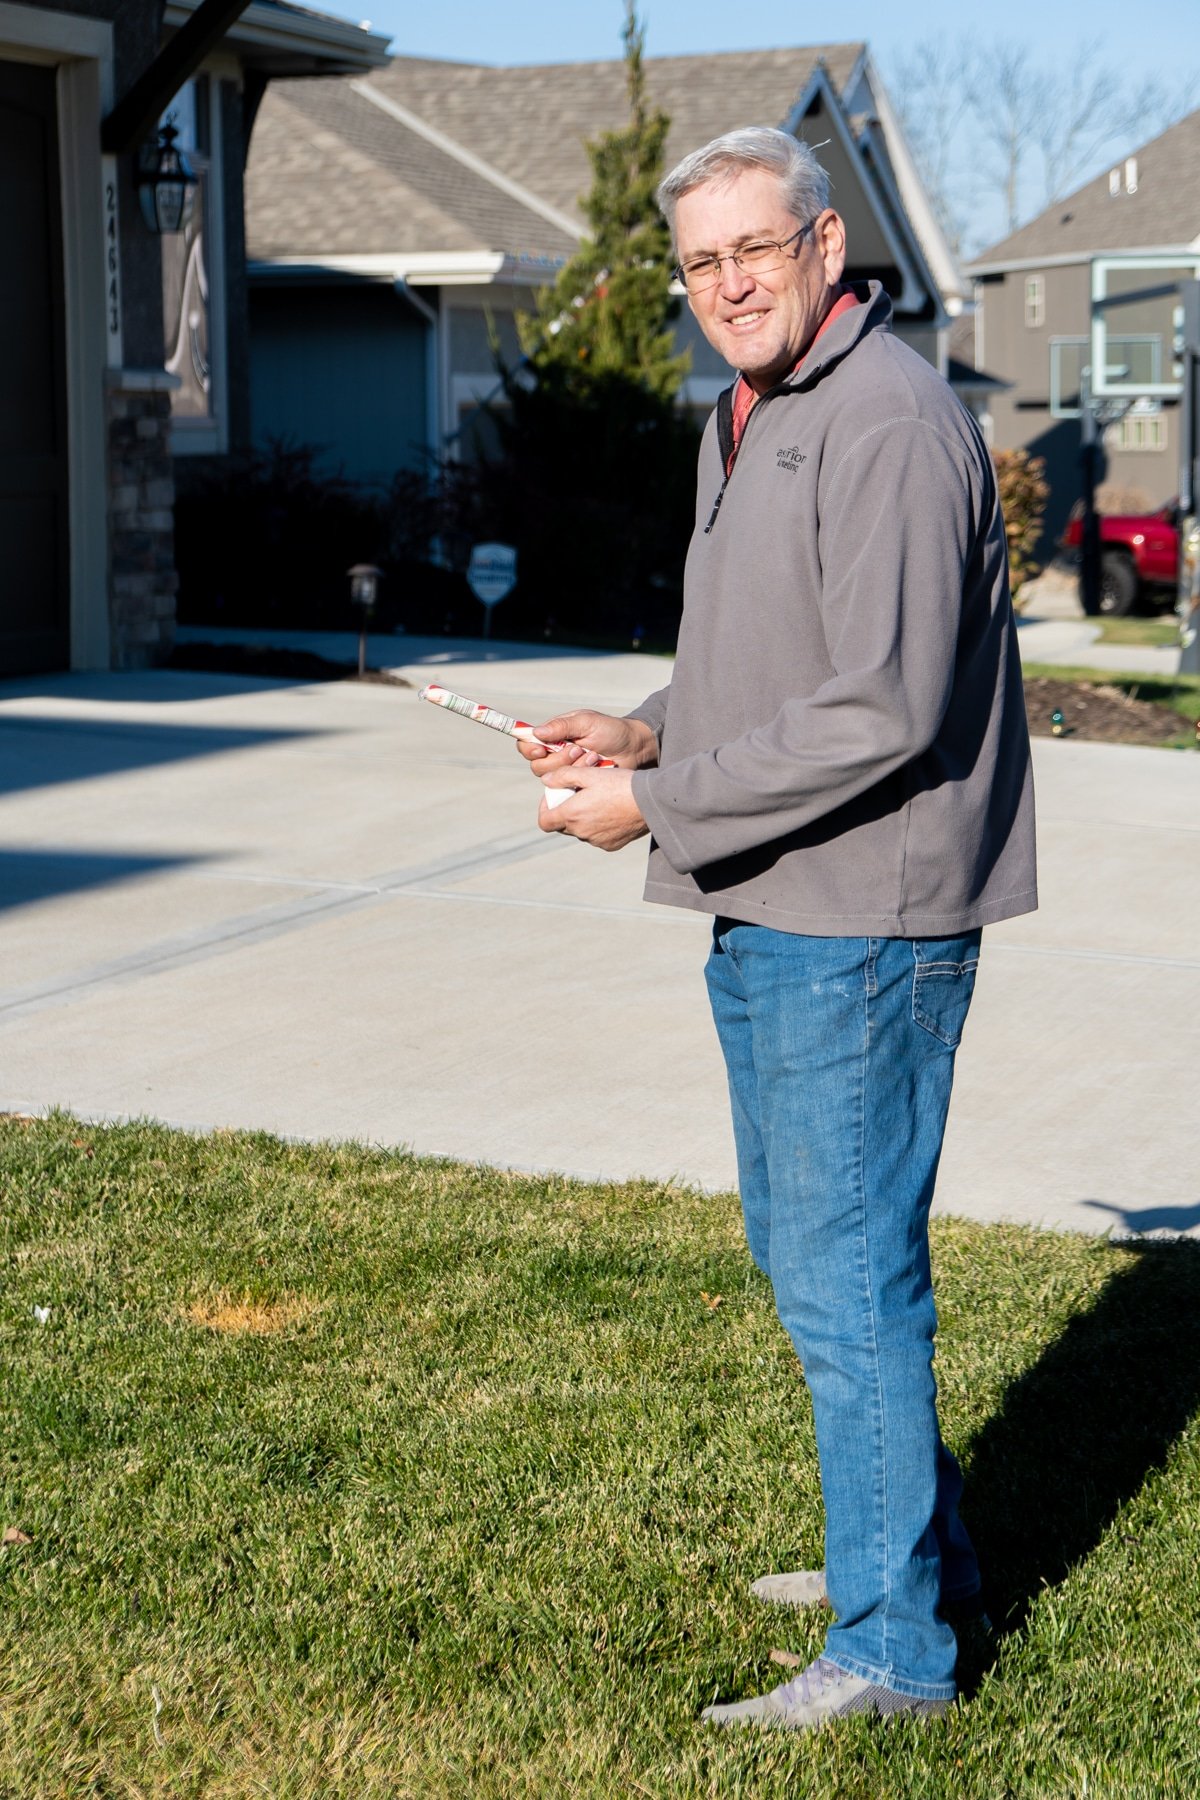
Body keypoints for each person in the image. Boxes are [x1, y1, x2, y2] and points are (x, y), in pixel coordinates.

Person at [518, 126, 1036, 1731]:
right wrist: (649, 732)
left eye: (757, 248)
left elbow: (877, 710)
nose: (729, 284)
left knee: (842, 1274)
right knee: (808, 1253)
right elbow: (777, 668)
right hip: (780, 904)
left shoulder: (880, 422)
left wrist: (650, 818)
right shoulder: (750, 415)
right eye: (700, 263)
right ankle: (902, 1547)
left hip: (862, 915)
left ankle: (891, 1653)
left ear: (827, 248)